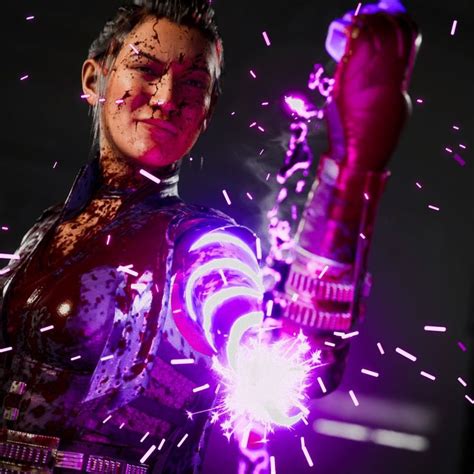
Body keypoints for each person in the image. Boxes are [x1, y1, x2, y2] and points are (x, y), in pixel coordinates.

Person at [0, 0, 420, 472]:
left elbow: (290, 373)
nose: (166, 97)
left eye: (194, 83)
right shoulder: (45, 229)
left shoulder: (202, 245)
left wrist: (353, 169)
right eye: (144, 68)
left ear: (207, 110)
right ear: (94, 80)